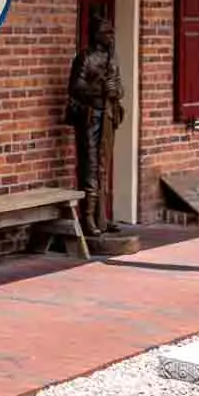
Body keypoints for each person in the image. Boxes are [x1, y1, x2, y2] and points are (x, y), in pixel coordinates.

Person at [64, 15, 124, 237]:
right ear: (97, 34)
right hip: (90, 117)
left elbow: (120, 88)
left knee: (103, 166)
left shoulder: (112, 59)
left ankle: (102, 217)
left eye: (112, 32)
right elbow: (75, 88)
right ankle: (87, 217)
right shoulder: (85, 58)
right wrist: (99, 89)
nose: (111, 36)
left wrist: (114, 90)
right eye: (107, 32)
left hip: (108, 115)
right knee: (89, 165)